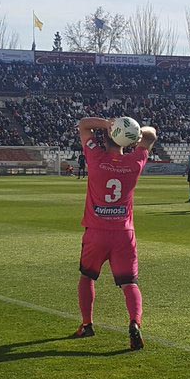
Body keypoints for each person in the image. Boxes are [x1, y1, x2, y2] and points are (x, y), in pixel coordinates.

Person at [73, 116, 158, 350]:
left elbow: (83, 124)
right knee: (129, 283)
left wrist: (108, 123)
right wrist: (135, 131)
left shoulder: (95, 157)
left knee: (87, 277)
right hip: (124, 233)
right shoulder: (134, 162)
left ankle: (87, 324)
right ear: (127, 142)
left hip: (96, 232)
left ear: (105, 138)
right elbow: (151, 135)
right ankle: (135, 322)